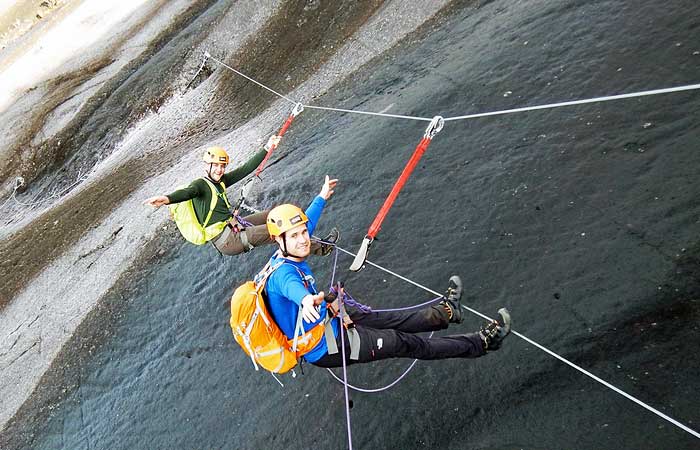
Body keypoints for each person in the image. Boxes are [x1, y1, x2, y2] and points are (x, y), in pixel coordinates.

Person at [262, 177, 512, 369]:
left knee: (388, 319)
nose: (304, 240)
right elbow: (292, 289)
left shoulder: (288, 250)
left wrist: (322, 197)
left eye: (304, 232)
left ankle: (446, 313)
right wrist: (305, 300)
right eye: (295, 236)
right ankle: (482, 343)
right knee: (402, 342)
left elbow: (308, 223)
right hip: (326, 347)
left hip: (329, 320)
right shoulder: (283, 275)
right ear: (279, 241)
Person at [144, 137, 338, 256]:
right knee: (278, 230)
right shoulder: (200, 185)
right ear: (207, 166)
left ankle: (304, 228)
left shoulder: (219, 181)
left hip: (232, 227)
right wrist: (167, 199)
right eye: (216, 166)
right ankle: (322, 248)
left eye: (222, 166)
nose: (220, 169)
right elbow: (186, 193)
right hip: (229, 241)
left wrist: (267, 148)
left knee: (274, 215)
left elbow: (246, 169)